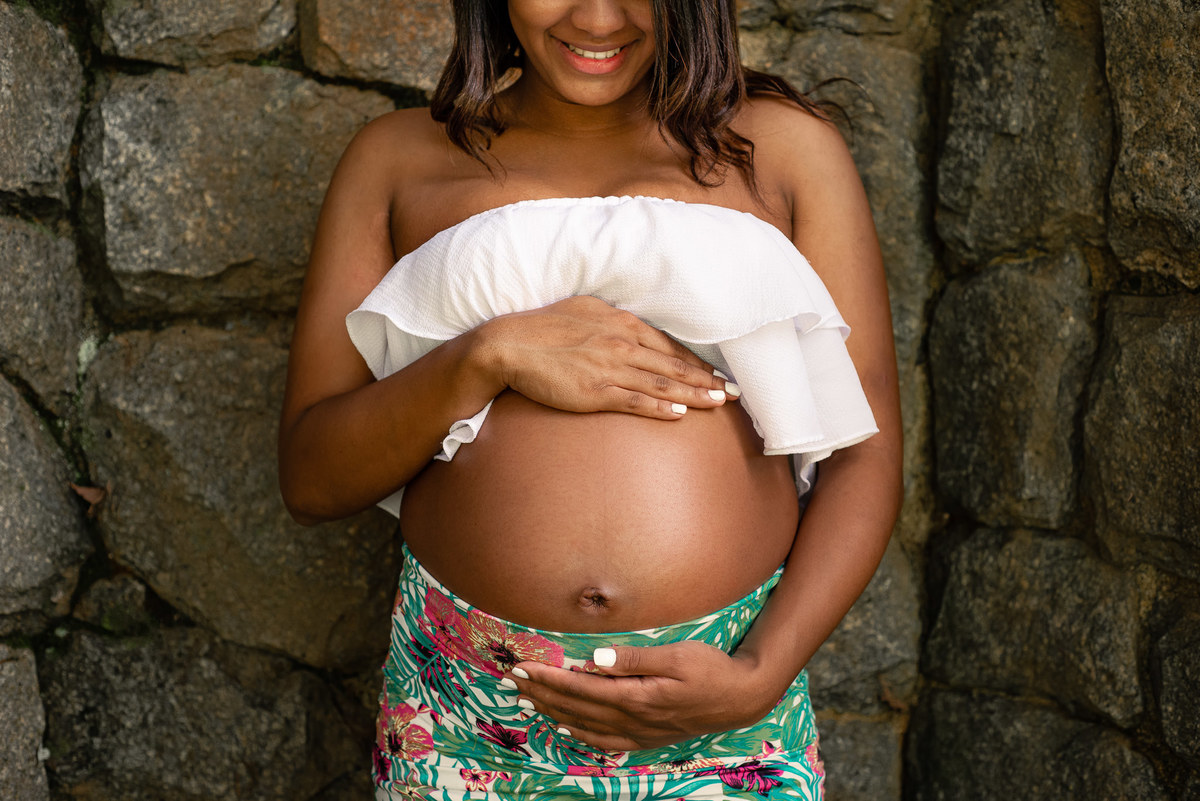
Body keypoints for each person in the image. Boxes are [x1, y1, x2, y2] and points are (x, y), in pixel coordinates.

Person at [278, 0, 902, 798]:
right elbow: (311, 477)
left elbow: (864, 454)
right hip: (468, 714)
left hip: (719, 716)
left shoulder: (783, 151)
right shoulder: (398, 160)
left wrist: (758, 674)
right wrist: (486, 356)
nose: (599, 18)